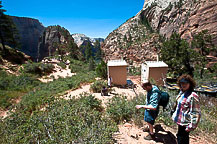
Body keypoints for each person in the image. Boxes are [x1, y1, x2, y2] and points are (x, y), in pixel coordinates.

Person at [171, 74, 201, 144]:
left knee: (181, 139)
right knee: (180, 137)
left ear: (190, 84)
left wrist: (192, 126)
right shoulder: (182, 93)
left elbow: (195, 112)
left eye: (186, 83)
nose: (183, 85)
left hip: (186, 123)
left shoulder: (192, 96)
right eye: (182, 83)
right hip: (180, 121)